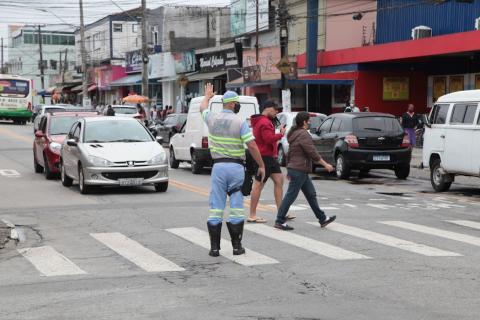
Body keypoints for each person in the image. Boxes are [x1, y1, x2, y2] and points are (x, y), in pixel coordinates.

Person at [201, 84, 265, 257]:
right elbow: (251, 144)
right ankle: (237, 247)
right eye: (236, 102)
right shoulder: (239, 121)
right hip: (236, 167)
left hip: (218, 168)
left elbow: (203, 108)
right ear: (231, 104)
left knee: (216, 207)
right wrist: (261, 164)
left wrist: (207, 96)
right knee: (236, 206)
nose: (238, 105)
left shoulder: (212, 118)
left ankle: (214, 248)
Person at [274, 112, 336, 231]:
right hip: (299, 169)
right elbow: (312, 152)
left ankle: (322, 218)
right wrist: (325, 164)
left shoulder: (294, 133)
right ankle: (279, 221)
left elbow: (290, 153)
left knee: (311, 194)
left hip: (298, 169)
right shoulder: (303, 134)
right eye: (309, 120)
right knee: (290, 196)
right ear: (304, 122)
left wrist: (289, 168)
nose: (310, 122)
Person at [248, 100, 290, 223]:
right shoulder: (265, 122)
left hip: (268, 157)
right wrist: (281, 134)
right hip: (264, 157)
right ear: (267, 108)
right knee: (258, 185)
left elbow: (270, 131)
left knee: (279, 180)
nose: (277, 112)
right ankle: (252, 214)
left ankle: (281, 212)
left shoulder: (263, 120)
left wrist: (277, 127)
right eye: (275, 109)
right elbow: (268, 139)